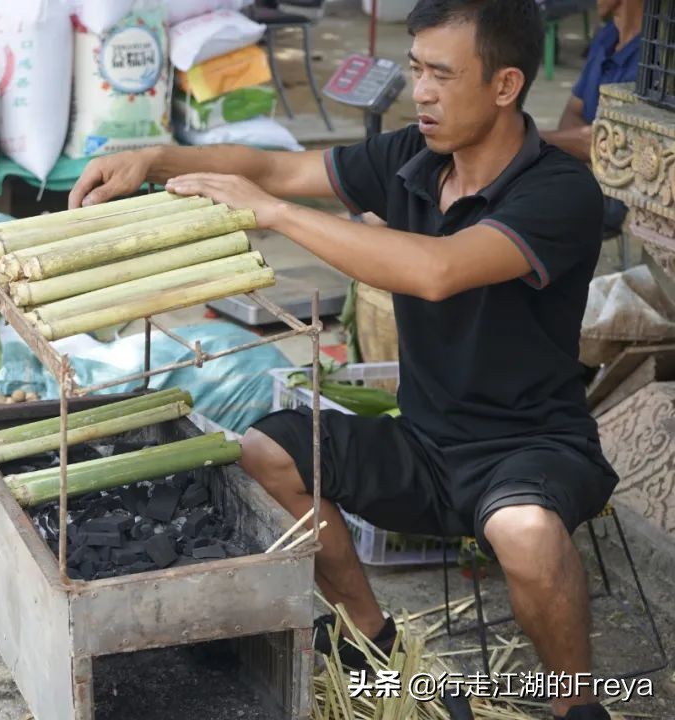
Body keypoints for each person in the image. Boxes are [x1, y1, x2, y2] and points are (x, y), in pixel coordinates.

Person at [68, 1, 618, 717]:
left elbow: (438, 270)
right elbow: (275, 166)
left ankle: (578, 705)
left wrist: (277, 214)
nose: (421, 91)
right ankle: (373, 642)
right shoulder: (411, 159)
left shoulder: (559, 191)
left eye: (442, 75)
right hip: (425, 444)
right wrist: (160, 157)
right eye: (416, 68)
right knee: (269, 451)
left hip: (532, 449)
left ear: (507, 85)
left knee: (525, 530)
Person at [542, 0, 643, 235]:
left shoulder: (652, 59)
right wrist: (583, 144)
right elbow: (572, 111)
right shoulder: (607, 37)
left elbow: (613, 146)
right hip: (581, 174)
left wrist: (527, 136)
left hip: (619, 193)